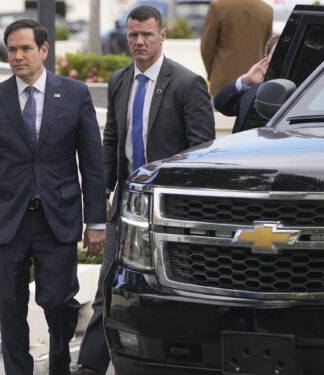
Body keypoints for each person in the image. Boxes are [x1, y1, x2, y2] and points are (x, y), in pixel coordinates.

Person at [71, 6, 215, 375]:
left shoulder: (187, 83)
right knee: (109, 283)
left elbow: (201, 152)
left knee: (166, 291)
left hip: (169, 212)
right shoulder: (120, 80)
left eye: (146, 35)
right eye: (133, 35)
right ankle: (89, 364)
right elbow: (111, 142)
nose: (138, 42)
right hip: (125, 207)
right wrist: (100, 192)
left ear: (162, 35)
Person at [0, 18, 107, 375]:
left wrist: (96, 222)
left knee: (57, 301)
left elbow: (91, 163)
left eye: (26, 48)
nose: (17, 56)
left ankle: (59, 356)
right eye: (12, 49)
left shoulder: (74, 94)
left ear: (44, 50)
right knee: (10, 307)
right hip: (6, 220)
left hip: (57, 219)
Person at [200, 0, 272, 96]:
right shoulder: (266, 9)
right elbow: (266, 48)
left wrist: (211, 73)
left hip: (223, 82)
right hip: (255, 83)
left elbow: (207, 47)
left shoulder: (218, 6)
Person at [214, 35, 280, 133]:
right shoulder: (252, 86)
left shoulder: (305, 90)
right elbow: (221, 105)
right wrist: (246, 80)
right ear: (266, 59)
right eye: (277, 55)